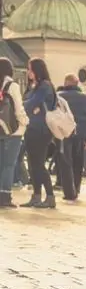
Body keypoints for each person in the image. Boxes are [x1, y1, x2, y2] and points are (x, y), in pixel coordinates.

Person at [21, 58, 57, 208]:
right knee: (32, 163)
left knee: (39, 164)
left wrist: (21, 105)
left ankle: (50, 196)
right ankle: (36, 195)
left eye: (30, 69)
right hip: (31, 128)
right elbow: (28, 104)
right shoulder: (32, 86)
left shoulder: (45, 86)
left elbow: (31, 103)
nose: (28, 72)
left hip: (42, 130)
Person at [58, 74, 86, 200]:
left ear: (66, 83)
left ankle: (69, 191)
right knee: (78, 162)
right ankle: (76, 188)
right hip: (80, 134)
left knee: (66, 162)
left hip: (64, 133)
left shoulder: (59, 96)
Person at [0, 58, 29, 208]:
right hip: (13, 130)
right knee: (9, 165)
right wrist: (25, 122)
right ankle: (5, 196)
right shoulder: (12, 86)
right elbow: (19, 108)